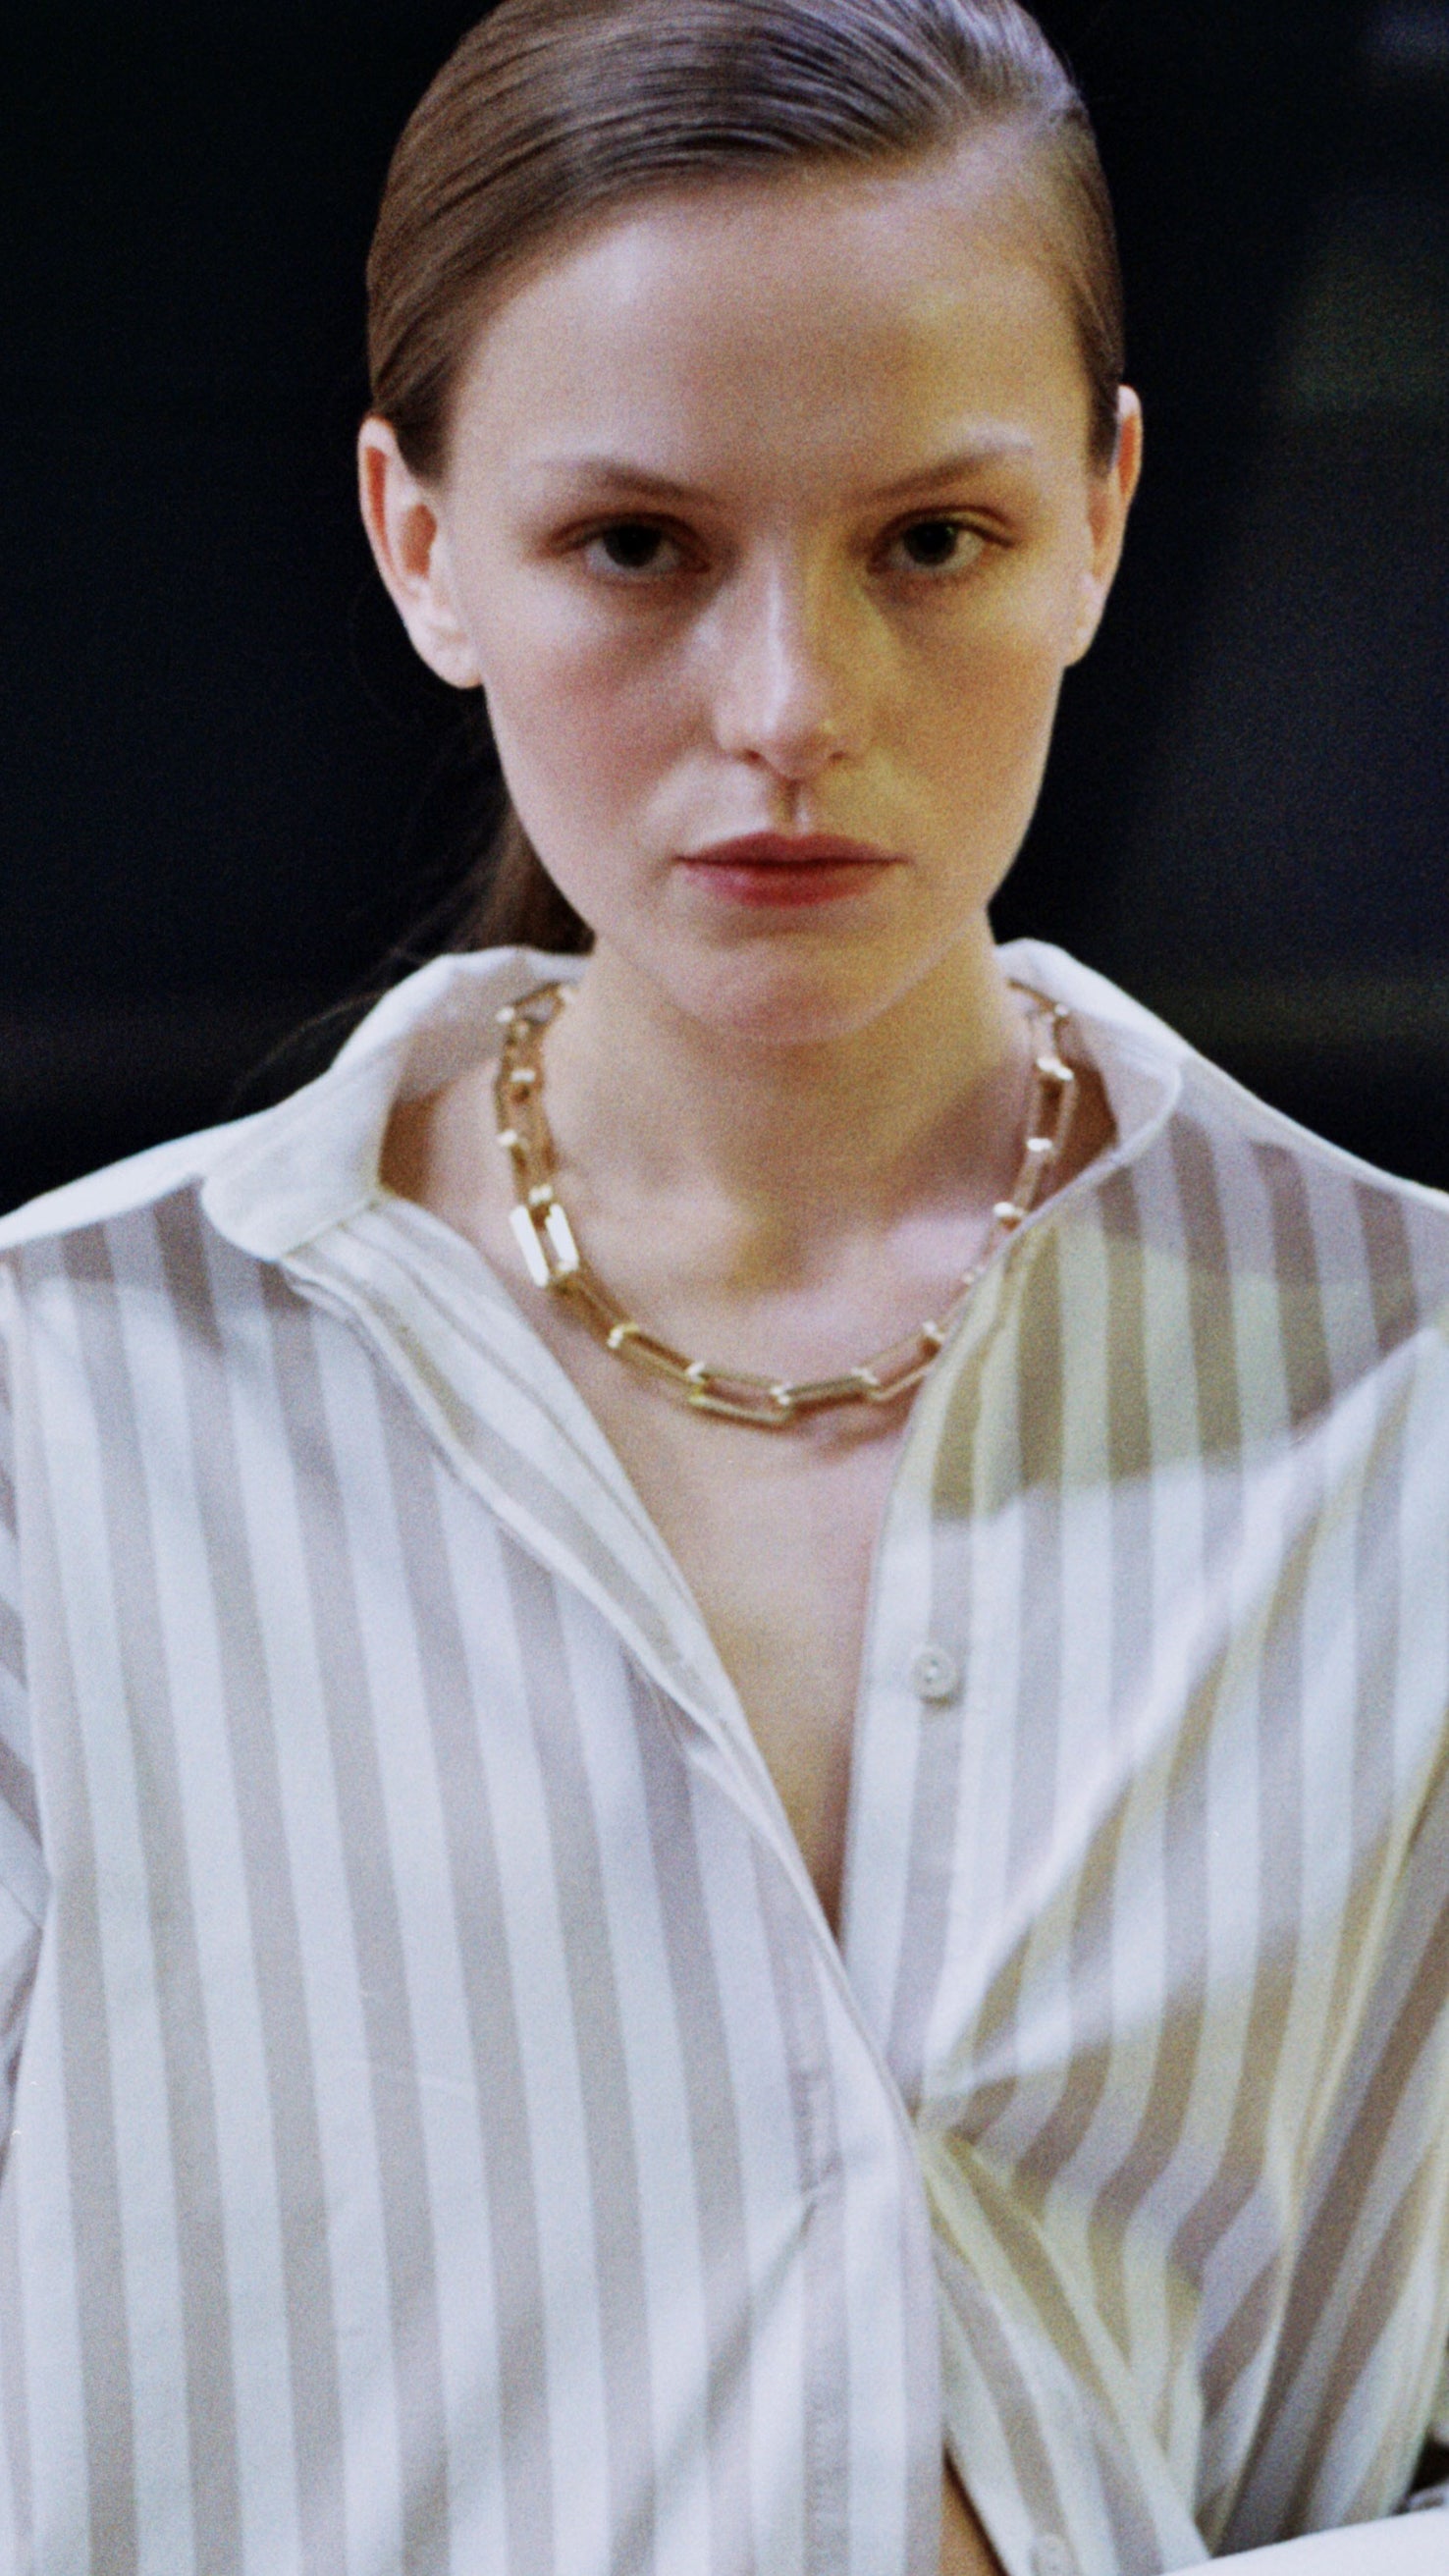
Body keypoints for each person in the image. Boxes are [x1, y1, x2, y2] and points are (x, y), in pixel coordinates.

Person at [0, 1, 1446, 2569]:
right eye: (638, 546)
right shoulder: (57, 1411)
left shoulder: (1409, 1396)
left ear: (1102, 517)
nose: (788, 709)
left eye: (931, 540)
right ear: (418, 542)